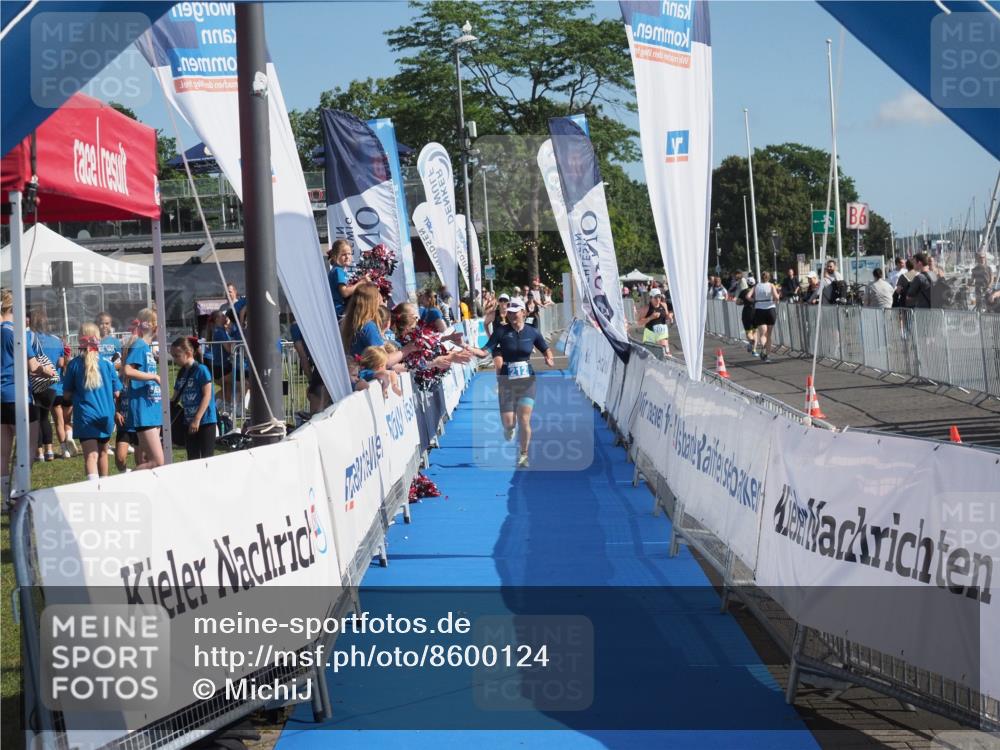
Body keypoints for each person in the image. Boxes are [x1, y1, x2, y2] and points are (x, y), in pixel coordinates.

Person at [468, 298, 554, 468]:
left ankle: (524, 454)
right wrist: (468, 348)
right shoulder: (501, 332)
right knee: (509, 423)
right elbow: (484, 352)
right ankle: (509, 428)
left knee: (524, 420)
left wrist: (549, 358)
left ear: (524, 312)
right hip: (506, 380)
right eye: (510, 312)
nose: (513, 315)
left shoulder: (532, 332)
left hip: (527, 381)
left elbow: (545, 348)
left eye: (516, 311)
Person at [2, 289, 56, 504]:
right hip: (19, 396)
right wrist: (48, 371)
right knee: (29, 448)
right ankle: (18, 494)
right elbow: (33, 366)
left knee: (2, 454)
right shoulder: (16, 332)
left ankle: (7, 498)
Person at [62, 323, 122, 481]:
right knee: (103, 453)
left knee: (91, 457)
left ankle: (94, 492)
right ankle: (105, 490)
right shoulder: (108, 364)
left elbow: (66, 394)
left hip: (85, 416)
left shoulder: (74, 364)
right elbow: (117, 392)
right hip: (106, 416)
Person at [122, 308, 164, 471]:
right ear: (154, 326)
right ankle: (126, 481)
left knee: (149, 461)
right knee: (158, 462)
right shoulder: (139, 345)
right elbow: (128, 370)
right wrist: (154, 377)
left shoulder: (146, 348)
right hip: (143, 411)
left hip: (152, 408)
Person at [171, 336, 217, 460]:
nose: (174, 359)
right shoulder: (181, 373)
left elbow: (207, 395)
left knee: (208, 459)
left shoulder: (201, 370)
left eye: (177, 355)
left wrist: (196, 419)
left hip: (205, 421)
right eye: (173, 355)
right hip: (188, 421)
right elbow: (174, 397)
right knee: (192, 459)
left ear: (188, 353)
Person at [328, 239, 368, 318]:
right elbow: (345, 292)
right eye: (343, 254)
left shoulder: (339, 270)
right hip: (339, 311)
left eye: (349, 254)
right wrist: (360, 283)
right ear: (335, 256)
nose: (347, 257)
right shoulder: (338, 271)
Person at [752, 271, 780, 362]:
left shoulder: (756, 286)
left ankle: (763, 349)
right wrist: (777, 297)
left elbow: (748, 296)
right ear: (769, 278)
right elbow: (776, 297)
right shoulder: (771, 285)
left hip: (759, 309)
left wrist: (755, 300)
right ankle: (767, 355)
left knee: (763, 333)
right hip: (770, 309)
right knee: (769, 334)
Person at [638, 289, 673, 355]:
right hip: (650, 333)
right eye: (655, 297)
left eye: (659, 297)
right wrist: (651, 317)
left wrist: (669, 316)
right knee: (649, 355)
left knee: (665, 353)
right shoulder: (646, 308)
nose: (658, 299)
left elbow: (666, 315)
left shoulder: (664, 305)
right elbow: (639, 322)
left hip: (662, 332)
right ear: (651, 298)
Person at [739, 281, 758, 355]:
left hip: (747, 311)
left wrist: (744, 302)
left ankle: (751, 340)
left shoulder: (744, 291)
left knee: (748, 331)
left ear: (747, 283)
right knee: (755, 332)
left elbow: (737, 302)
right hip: (756, 311)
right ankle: (754, 350)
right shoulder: (757, 291)